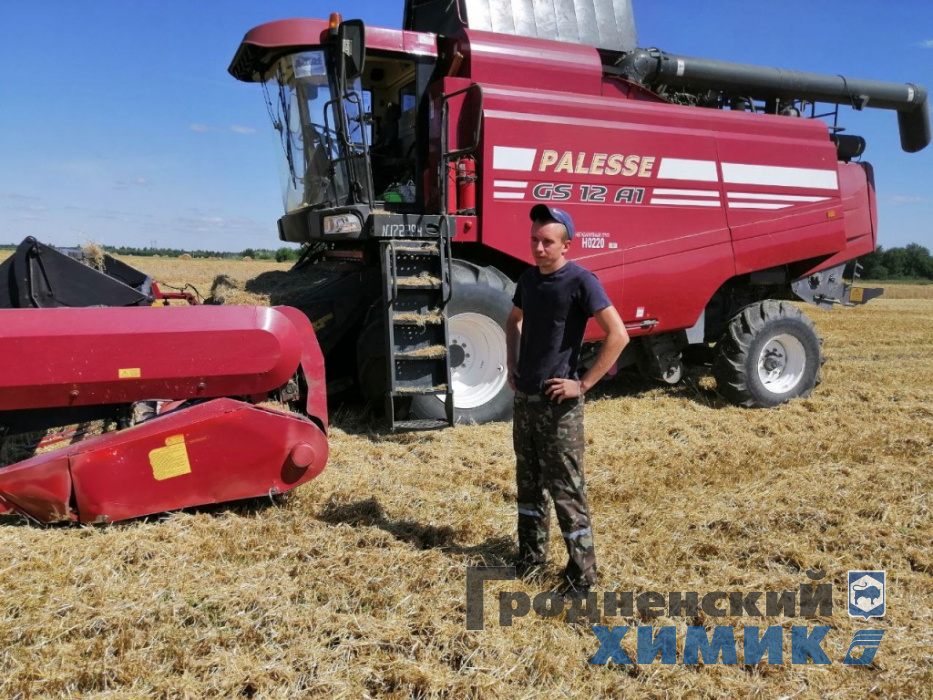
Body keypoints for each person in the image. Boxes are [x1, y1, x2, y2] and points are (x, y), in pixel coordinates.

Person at [506, 204, 629, 597]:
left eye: (547, 242)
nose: (538, 248)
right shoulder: (527, 279)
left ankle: (581, 577)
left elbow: (618, 334)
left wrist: (583, 384)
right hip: (526, 402)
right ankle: (530, 560)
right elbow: (513, 320)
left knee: (566, 491)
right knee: (528, 485)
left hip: (559, 407)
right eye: (534, 240)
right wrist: (512, 364)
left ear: (566, 246)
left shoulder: (581, 281)